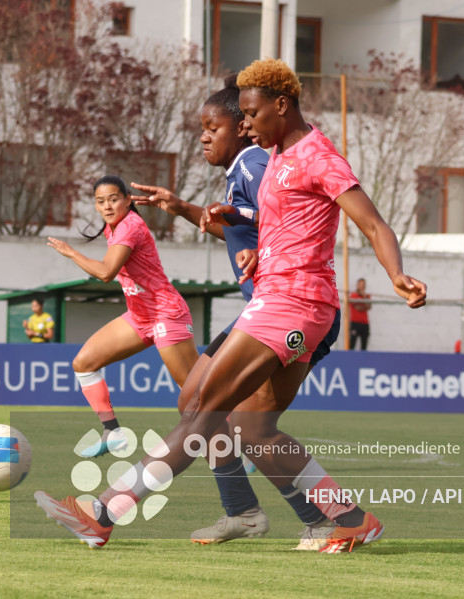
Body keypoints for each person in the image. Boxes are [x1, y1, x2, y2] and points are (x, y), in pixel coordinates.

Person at [34, 58, 426, 554]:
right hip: (283, 299)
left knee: (203, 409)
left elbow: (372, 223)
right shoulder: (277, 156)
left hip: (293, 303)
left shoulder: (318, 156)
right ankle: (350, 519)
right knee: (250, 428)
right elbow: (282, 226)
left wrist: (396, 274)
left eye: (251, 114)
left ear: (281, 105)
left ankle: (104, 512)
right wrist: (252, 244)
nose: (246, 125)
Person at [131, 75, 339, 550]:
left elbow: (288, 217)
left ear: (243, 128)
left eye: (213, 127)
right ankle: (246, 511)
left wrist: (253, 235)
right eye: (201, 129)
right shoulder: (242, 169)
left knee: (240, 425)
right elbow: (242, 230)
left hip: (289, 308)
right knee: (202, 408)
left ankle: (319, 516)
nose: (204, 137)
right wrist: (184, 208)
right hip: (264, 309)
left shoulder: (254, 162)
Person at [47, 175, 199, 458]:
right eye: (100, 201)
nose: (107, 206)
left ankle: (247, 443)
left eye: (113, 199)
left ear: (128, 200)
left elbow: (106, 272)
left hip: (166, 315)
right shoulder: (112, 227)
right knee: (83, 363)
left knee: (195, 396)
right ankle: (113, 434)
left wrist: (71, 253)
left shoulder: (130, 225)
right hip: (139, 317)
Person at [349, 278, 371, 350]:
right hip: (355, 323)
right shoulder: (353, 295)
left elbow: (369, 306)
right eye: (361, 284)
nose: (362, 286)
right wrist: (364, 306)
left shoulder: (367, 296)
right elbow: (358, 308)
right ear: (357, 285)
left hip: (365, 323)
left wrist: (364, 297)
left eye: (364, 284)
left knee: (364, 345)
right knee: (352, 345)